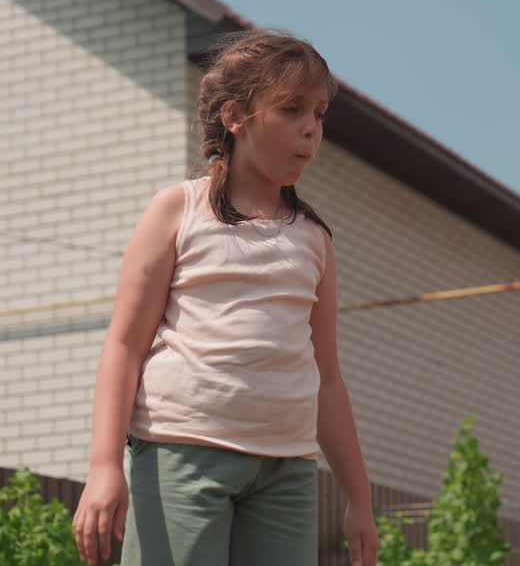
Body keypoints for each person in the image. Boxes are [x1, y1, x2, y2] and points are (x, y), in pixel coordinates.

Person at [72, 28, 379, 566]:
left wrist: (359, 497)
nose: (311, 128)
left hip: (286, 470)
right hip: (181, 450)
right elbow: (123, 346)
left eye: (319, 113)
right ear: (236, 116)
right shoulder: (177, 210)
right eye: (290, 109)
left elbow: (327, 376)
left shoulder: (315, 239)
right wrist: (103, 467)